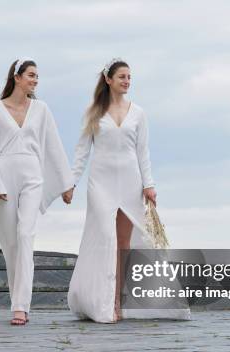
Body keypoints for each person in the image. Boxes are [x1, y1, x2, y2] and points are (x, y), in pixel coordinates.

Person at [66, 58, 189, 323]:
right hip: (100, 183)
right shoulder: (94, 112)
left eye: (129, 77)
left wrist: (149, 184)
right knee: (105, 236)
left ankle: (117, 301)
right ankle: (99, 297)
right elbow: (81, 152)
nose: (127, 81)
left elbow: (143, 152)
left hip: (130, 182)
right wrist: (71, 182)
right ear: (109, 79)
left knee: (123, 243)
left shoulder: (138, 114)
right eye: (122, 76)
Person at [0, 58, 74, 326]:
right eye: (31, 75)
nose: (35, 80)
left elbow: (54, 146)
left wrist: (65, 184)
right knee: (10, 244)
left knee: (26, 235)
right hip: (3, 179)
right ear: (17, 77)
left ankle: (21, 307)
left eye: (37, 76)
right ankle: (17, 300)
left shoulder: (42, 109)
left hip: (32, 176)